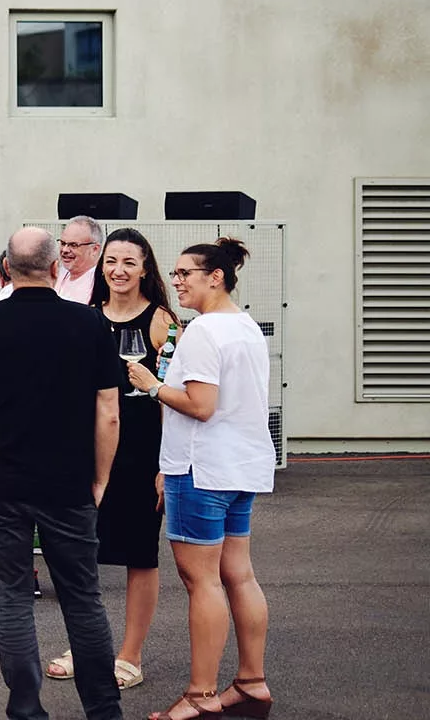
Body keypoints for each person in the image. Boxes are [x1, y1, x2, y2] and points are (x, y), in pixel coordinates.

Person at [0, 226, 123, 720]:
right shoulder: (89, 326)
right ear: (53, 266)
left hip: (1, 484)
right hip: (69, 482)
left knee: (13, 600)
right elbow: (108, 411)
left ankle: (26, 708)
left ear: (7, 267)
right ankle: (103, 709)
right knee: (84, 600)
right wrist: (101, 478)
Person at [125, 238, 275, 720]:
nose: (177, 280)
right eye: (175, 273)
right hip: (241, 466)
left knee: (202, 581)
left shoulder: (204, 331)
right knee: (239, 574)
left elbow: (201, 406)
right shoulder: (246, 326)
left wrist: (152, 387)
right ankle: (251, 683)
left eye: (186, 272)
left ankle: (201, 695)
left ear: (217, 276)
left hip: (202, 469)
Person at [45, 228, 175, 689]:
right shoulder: (84, 318)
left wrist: (167, 465)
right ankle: (85, 647)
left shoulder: (161, 322)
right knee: (78, 552)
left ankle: (129, 656)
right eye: (111, 262)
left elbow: (171, 400)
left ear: (145, 269)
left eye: (129, 263)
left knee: (141, 555)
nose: (118, 271)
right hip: (88, 448)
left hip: (142, 452)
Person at [56, 216, 104, 304]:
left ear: (94, 249)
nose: (65, 250)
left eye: (73, 245)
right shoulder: (56, 275)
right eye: (63, 243)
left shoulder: (101, 283)